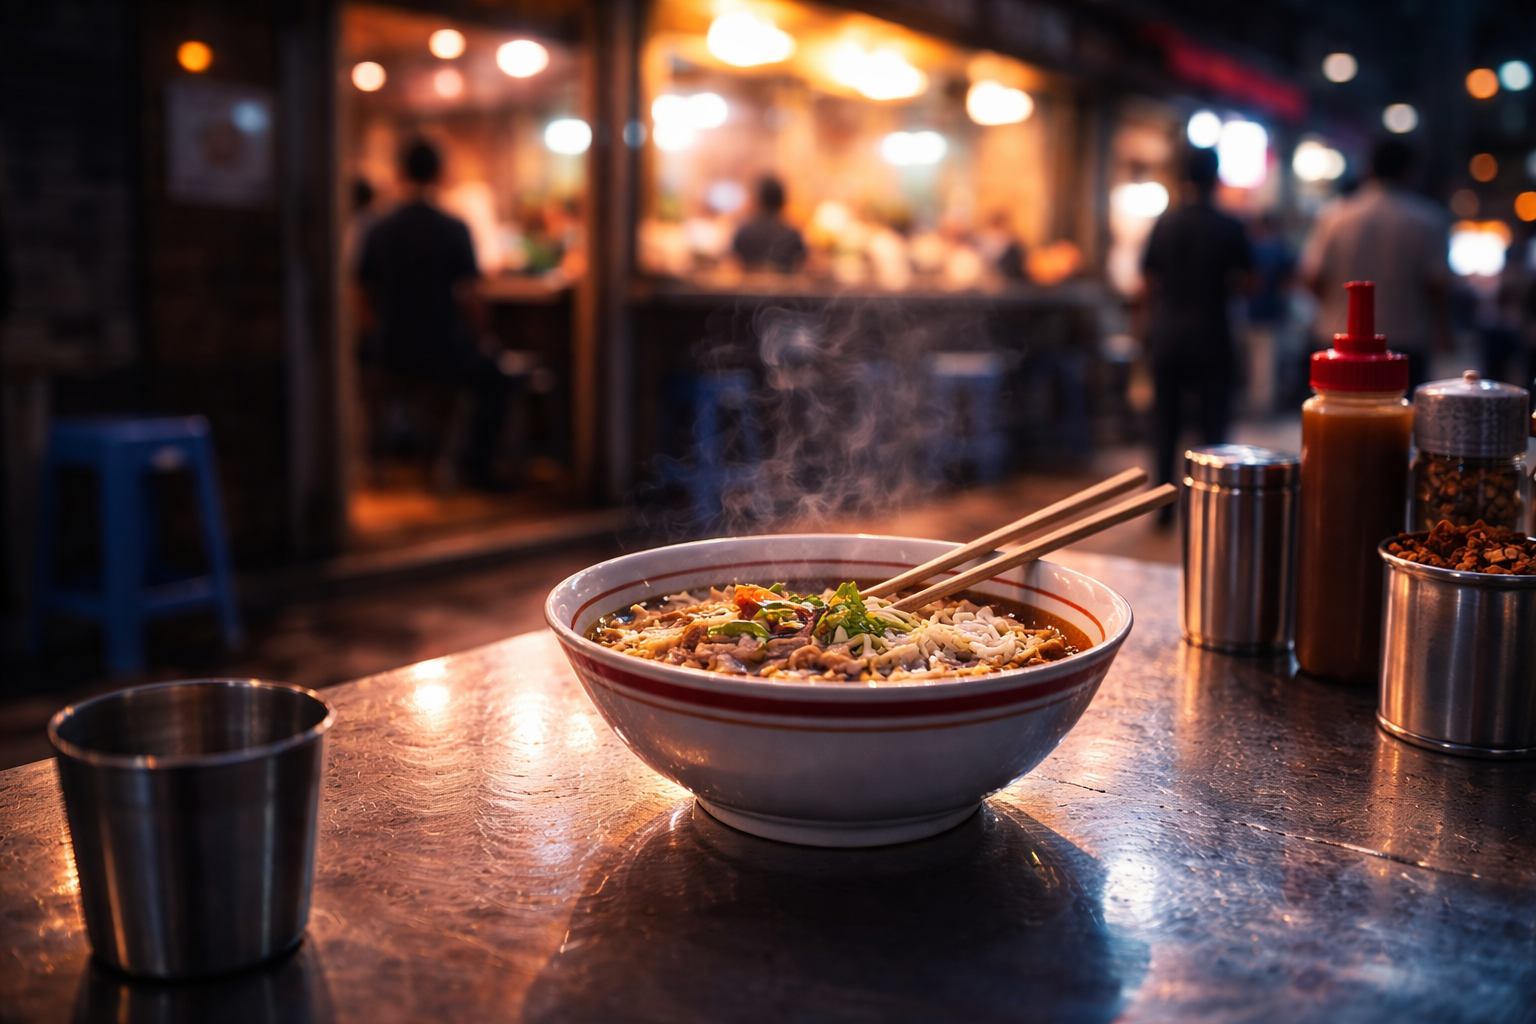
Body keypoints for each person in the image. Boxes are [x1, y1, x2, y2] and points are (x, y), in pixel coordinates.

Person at [358, 140, 517, 490]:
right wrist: (483, 337)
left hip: (390, 349)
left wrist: (374, 335)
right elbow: (470, 295)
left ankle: (389, 461)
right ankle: (476, 471)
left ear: (400, 173)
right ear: (441, 174)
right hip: (442, 349)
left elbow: (362, 293)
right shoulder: (452, 226)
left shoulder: (378, 227)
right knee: (497, 377)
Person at [1141, 147, 1253, 518]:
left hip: (1169, 332)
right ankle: (1209, 508)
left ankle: (1163, 508)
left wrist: (1147, 326)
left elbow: (1147, 281)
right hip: (1212, 331)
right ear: (1215, 178)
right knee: (1212, 427)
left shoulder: (1166, 223)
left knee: (1165, 424)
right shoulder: (1229, 225)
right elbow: (1250, 281)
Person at [1299, 138, 1449, 391]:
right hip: (1404, 343)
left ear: (1368, 169)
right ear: (1410, 172)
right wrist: (1443, 332)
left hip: (1338, 341)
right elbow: (1436, 285)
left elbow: (1313, 278)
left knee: (1337, 413)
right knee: (1401, 413)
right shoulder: (1428, 220)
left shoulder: (1334, 215)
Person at [732, 176, 806, 273]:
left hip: (751, 282)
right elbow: (802, 263)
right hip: (784, 283)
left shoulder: (745, 231)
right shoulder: (792, 234)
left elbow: (734, 262)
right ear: (782, 201)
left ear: (759, 200)